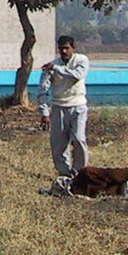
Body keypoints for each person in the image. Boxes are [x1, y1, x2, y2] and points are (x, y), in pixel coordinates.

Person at [38, 35, 90, 176]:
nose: (64, 51)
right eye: (61, 49)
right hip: (59, 107)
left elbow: (77, 75)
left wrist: (56, 68)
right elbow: (43, 90)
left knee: (79, 140)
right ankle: (66, 174)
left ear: (73, 48)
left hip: (78, 106)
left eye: (67, 48)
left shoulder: (82, 60)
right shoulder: (51, 66)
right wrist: (44, 112)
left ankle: (80, 173)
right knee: (58, 145)